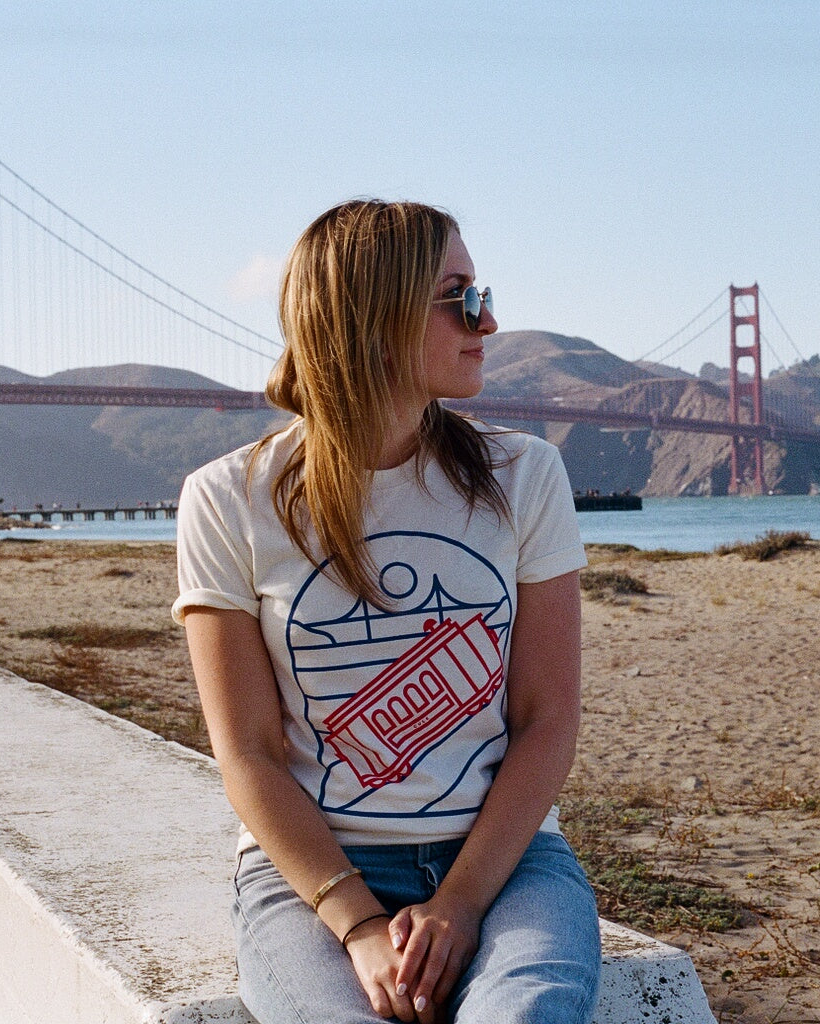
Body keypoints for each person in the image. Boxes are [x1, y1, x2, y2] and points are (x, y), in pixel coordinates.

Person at [173, 199, 600, 1024]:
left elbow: (547, 718)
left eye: (483, 294)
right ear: (374, 317)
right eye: (462, 298)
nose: (490, 320)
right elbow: (250, 754)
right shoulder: (227, 498)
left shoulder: (526, 474)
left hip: (508, 863)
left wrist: (465, 901)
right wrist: (360, 923)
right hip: (312, 877)